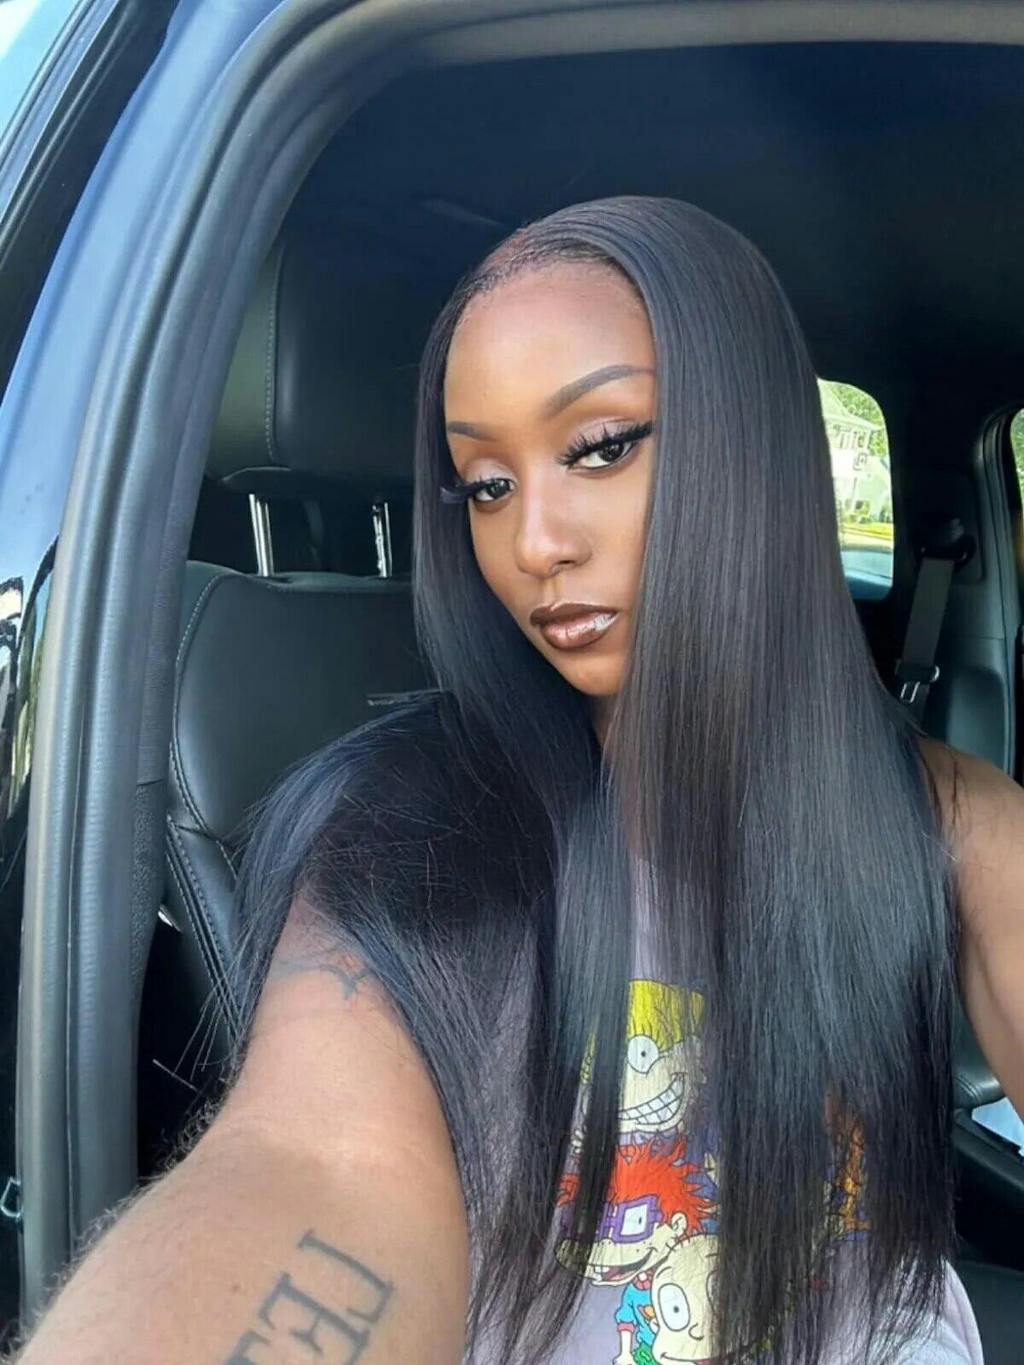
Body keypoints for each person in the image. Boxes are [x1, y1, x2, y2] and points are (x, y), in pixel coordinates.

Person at [11, 196, 1023, 1364]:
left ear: (757, 444)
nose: (534, 543)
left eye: (600, 447)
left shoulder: (942, 817)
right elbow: (312, 1164)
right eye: (485, 486)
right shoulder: (409, 832)